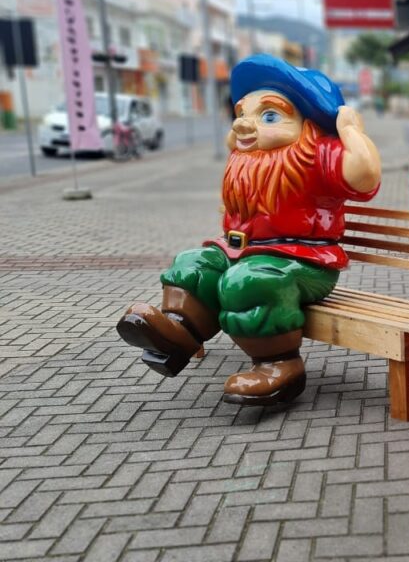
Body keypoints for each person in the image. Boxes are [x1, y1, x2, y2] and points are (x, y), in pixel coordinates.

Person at [116, 54, 382, 406]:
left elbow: (365, 175)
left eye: (268, 115)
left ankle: (279, 365)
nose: (243, 125)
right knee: (193, 263)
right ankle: (179, 333)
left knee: (249, 281)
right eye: (242, 114)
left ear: (308, 125)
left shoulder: (318, 154)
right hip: (242, 251)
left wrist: (349, 129)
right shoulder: (248, 159)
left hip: (304, 262)